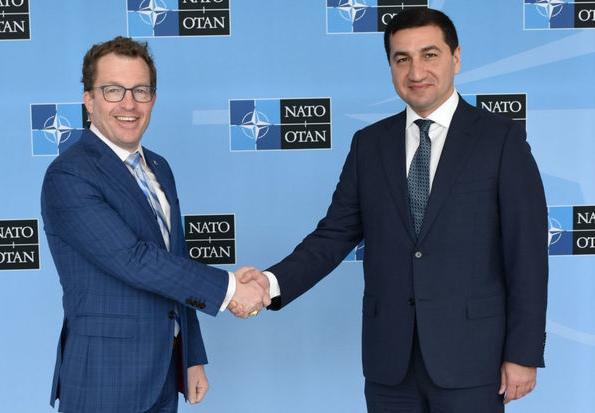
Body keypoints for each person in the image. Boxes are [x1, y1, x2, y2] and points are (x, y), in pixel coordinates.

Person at [233, 8, 548, 413]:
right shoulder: (369, 144)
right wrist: (270, 283)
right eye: (402, 59)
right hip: (390, 365)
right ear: (391, 67)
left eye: (429, 54)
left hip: (473, 360)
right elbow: (333, 236)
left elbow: (526, 255)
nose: (416, 71)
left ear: (456, 58)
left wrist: (522, 352)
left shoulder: (501, 140)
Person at [41, 36, 269, 413]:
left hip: (163, 370)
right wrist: (230, 289)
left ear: (153, 99)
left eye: (140, 91)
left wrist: (191, 356)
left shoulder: (159, 167)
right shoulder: (69, 174)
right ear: (89, 100)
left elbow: (176, 262)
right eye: (113, 90)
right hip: (103, 378)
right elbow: (134, 260)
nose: (129, 103)